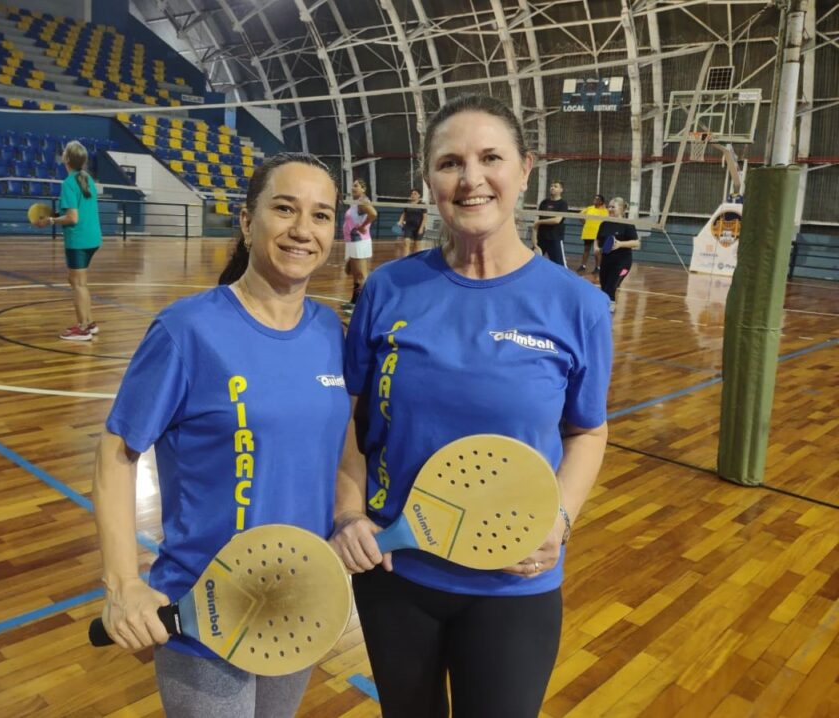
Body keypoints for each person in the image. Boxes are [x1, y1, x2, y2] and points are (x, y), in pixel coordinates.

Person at [330, 94, 612, 718]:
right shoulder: (387, 289)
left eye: (491, 158)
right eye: (451, 162)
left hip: (513, 582)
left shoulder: (579, 306)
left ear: (525, 169)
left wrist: (560, 520)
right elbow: (347, 420)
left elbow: (588, 432)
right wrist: (348, 513)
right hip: (395, 572)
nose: (471, 178)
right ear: (429, 179)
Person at [93, 152, 350, 718]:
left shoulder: (331, 332)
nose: (303, 230)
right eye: (285, 209)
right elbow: (116, 453)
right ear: (247, 221)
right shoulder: (187, 329)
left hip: (298, 598)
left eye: (321, 215)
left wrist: (350, 515)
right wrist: (123, 583)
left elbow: (339, 448)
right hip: (206, 608)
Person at [33, 140, 103, 341]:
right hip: (93, 237)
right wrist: (55, 215)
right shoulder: (87, 179)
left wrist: (50, 221)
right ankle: (90, 323)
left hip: (78, 240)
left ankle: (83, 328)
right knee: (77, 281)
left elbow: (72, 218)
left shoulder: (69, 183)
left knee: (78, 283)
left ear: (66, 159)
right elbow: (77, 210)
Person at [595, 196, 641, 313]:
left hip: (623, 263)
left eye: (613, 207)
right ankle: (605, 307)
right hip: (606, 261)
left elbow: (636, 243)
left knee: (611, 286)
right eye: (609, 207)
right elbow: (597, 238)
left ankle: (609, 309)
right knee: (604, 286)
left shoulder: (627, 224)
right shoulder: (604, 224)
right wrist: (596, 248)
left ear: (621, 209)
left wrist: (620, 244)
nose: (610, 209)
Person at [340, 179, 377, 313]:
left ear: (363, 189)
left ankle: (362, 306)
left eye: (356, 186)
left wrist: (362, 226)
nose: (353, 188)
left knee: (361, 275)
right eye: (353, 185)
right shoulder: (356, 202)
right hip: (351, 241)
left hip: (359, 241)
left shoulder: (363, 201)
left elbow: (373, 213)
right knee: (355, 274)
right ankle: (354, 302)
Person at [532, 179, 568, 267]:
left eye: (555, 186)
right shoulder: (544, 203)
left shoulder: (563, 204)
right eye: (551, 186)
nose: (552, 188)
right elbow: (535, 222)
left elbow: (557, 220)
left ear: (561, 190)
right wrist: (534, 240)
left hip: (554, 239)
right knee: (531, 263)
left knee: (560, 266)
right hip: (541, 239)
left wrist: (540, 222)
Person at [577, 193, 607, 274]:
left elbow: (607, 221)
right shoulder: (589, 208)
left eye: (597, 199)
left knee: (596, 251)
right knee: (586, 249)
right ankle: (583, 266)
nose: (595, 200)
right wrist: (584, 223)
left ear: (601, 202)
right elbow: (580, 215)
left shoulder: (604, 211)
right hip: (588, 232)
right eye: (595, 198)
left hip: (598, 234)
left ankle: (598, 267)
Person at [397, 188, 427, 253]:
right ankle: (406, 258)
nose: (413, 195)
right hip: (408, 226)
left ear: (419, 195)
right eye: (412, 194)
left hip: (418, 226)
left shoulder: (422, 204)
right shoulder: (407, 203)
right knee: (406, 243)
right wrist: (400, 221)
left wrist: (421, 228)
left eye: (415, 194)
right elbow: (404, 213)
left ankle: (416, 258)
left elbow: (425, 218)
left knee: (417, 245)